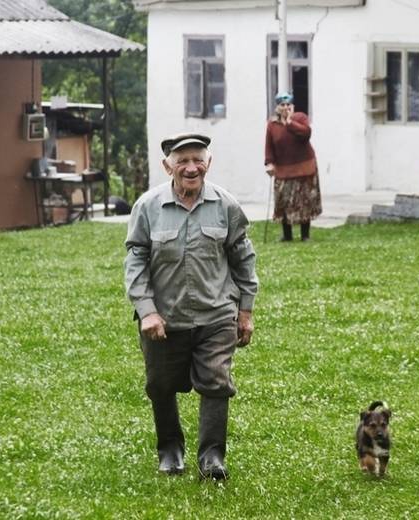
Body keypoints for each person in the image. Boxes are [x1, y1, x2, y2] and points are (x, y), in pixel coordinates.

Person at [124, 132, 259, 481]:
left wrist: (245, 310)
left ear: (208, 163)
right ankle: (170, 449)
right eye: (182, 160)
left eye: (198, 159)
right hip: (164, 319)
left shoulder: (226, 205)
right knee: (160, 385)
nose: (191, 167)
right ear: (167, 165)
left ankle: (212, 459)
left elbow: (243, 257)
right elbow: (136, 260)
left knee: (216, 382)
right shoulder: (148, 207)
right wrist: (146, 308)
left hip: (216, 315)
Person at [264, 92, 323, 242]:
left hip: (305, 166)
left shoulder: (301, 118)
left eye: (288, 105)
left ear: (293, 106)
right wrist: (269, 163)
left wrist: (290, 122)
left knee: (304, 200)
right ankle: (287, 235)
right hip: (283, 168)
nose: (285, 108)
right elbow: (269, 146)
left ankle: (305, 235)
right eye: (282, 105)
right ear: (277, 107)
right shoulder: (272, 124)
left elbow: (306, 134)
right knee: (283, 200)